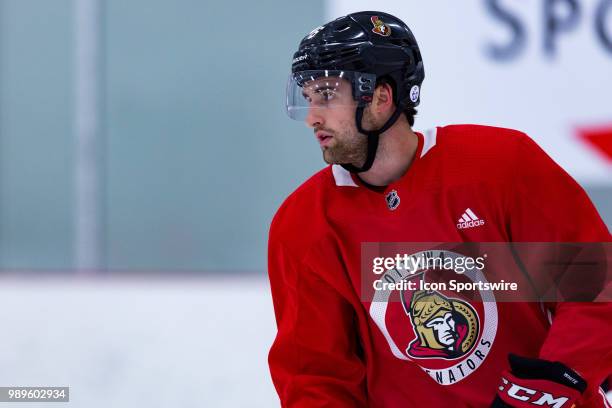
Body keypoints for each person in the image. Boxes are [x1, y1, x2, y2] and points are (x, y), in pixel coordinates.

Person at [267, 10, 612, 407]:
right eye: (307, 98)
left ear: (381, 96)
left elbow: (594, 288)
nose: (312, 117)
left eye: (327, 95)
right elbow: (315, 374)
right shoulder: (303, 224)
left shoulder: (500, 167)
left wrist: (546, 388)